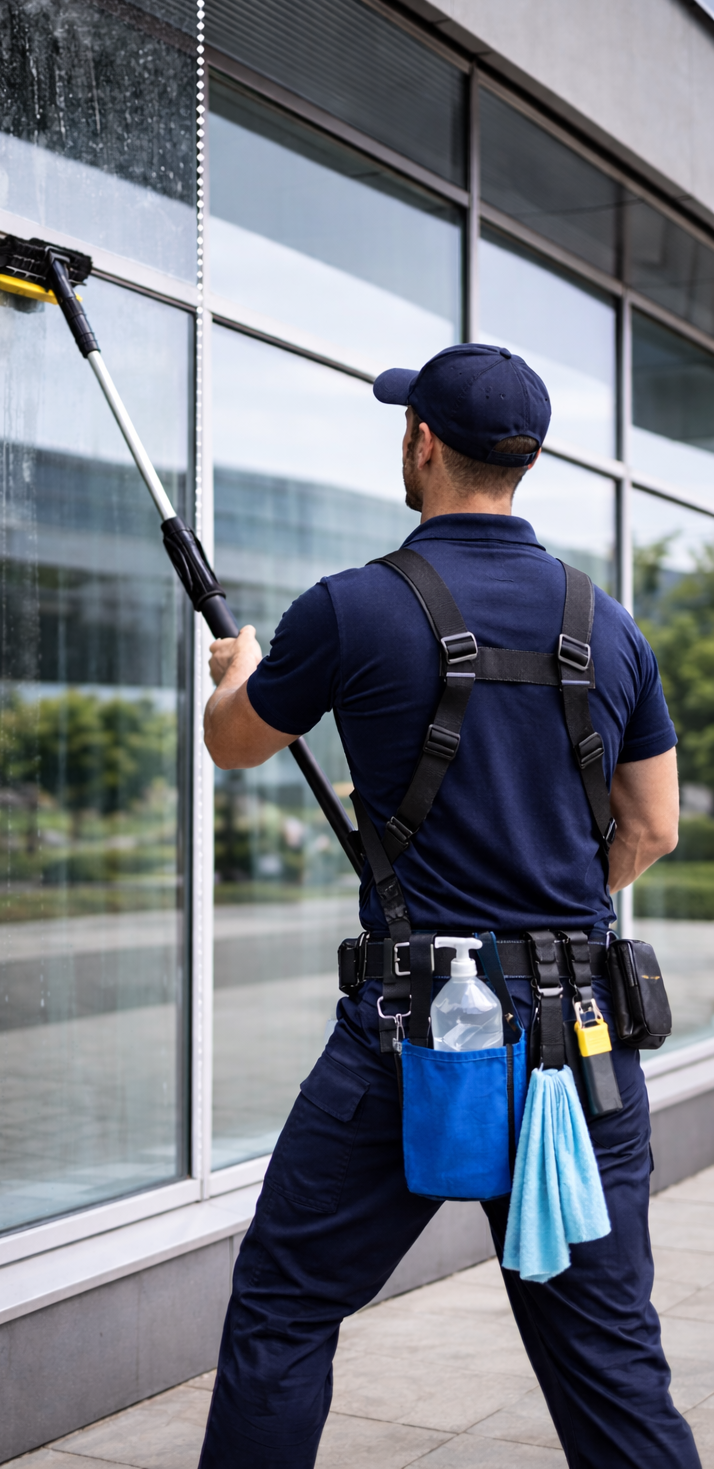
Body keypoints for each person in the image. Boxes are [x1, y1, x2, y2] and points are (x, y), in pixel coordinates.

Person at [197, 343, 697, 1469]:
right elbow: (654, 828)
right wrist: (556, 920)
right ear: (524, 461)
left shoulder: (353, 608)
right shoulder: (607, 627)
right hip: (581, 1044)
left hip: (410, 1035)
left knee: (283, 1312)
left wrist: (237, 672)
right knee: (611, 1364)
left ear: (422, 442)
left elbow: (236, 743)